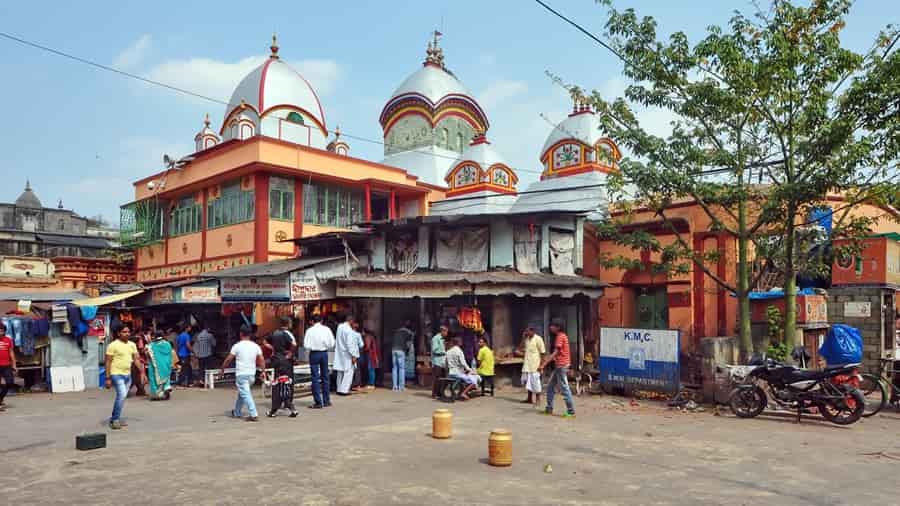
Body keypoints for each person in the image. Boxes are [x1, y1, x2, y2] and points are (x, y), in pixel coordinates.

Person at [220, 325, 264, 422]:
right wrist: (263, 371)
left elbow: (228, 359)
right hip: (251, 375)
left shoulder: (237, 346)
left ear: (241, 334)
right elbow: (261, 359)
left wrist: (222, 368)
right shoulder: (255, 346)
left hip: (241, 374)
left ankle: (254, 414)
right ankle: (237, 411)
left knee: (246, 394)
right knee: (243, 393)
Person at [105, 323, 145, 429]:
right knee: (122, 395)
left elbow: (136, 359)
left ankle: (115, 418)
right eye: (124, 332)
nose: (127, 334)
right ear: (118, 333)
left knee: (121, 398)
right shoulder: (112, 345)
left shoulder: (132, 345)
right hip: (116, 374)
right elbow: (108, 362)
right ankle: (115, 420)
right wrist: (108, 378)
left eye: (128, 332)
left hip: (128, 375)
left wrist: (142, 372)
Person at [541, 319, 575, 418]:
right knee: (550, 386)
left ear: (558, 327)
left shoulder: (560, 337)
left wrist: (544, 363)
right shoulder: (561, 336)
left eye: (552, 326)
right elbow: (557, 355)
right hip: (560, 365)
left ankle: (571, 411)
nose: (550, 327)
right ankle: (549, 408)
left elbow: (556, 352)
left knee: (564, 388)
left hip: (561, 366)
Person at [303, 314, 335, 409]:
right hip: (324, 353)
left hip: (314, 354)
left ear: (312, 321)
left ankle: (318, 401)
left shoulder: (309, 331)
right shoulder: (327, 329)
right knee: (325, 376)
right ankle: (326, 400)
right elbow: (332, 343)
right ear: (321, 321)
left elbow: (306, 345)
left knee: (315, 377)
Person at [515, 327, 546, 406]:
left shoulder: (538, 339)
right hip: (527, 364)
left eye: (528, 331)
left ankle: (538, 399)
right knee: (528, 382)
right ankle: (529, 398)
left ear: (533, 331)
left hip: (535, 365)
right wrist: (523, 338)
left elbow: (543, 353)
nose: (527, 333)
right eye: (526, 331)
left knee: (535, 382)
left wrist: (541, 365)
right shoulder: (526, 339)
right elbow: (520, 348)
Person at [334, 315, 360, 396]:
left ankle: (339, 389)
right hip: (347, 354)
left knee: (340, 372)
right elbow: (350, 344)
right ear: (351, 321)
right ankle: (344, 390)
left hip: (340, 352)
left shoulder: (340, 327)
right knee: (348, 372)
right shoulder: (348, 330)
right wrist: (354, 355)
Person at [146, 332, 177, 400]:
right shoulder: (167, 344)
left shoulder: (151, 345)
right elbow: (170, 355)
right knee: (165, 379)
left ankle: (156, 395)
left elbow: (148, 355)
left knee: (154, 380)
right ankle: (166, 389)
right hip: (166, 365)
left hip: (155, 366)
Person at [391, 319, 414, 391]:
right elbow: (409, 344)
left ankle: (394, 386)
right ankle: (401, 387)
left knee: (394, 368)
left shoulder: (397, 331)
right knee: (401, 368)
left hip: (393, 350)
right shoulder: (409, 333)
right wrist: (408, 351)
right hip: (401, 350)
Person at [0, 322, 16, 411]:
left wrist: (14, 364)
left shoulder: (8, 340)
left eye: (1, 331)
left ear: (4, 331)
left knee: (10, 382)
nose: (0, 333)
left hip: (6, 365)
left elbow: (11, 352)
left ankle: (0, 398)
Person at [430, 325, 449, 399]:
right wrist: (444, 352)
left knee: (443, 378)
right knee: (437, 378)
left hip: (442, 362)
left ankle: (440, 393)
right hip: (437, 362)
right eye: (446, 332)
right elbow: (435, 350)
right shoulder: (436, 338)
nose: (447, 334)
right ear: (442, 331)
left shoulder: (442, 339)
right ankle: (434, 394)